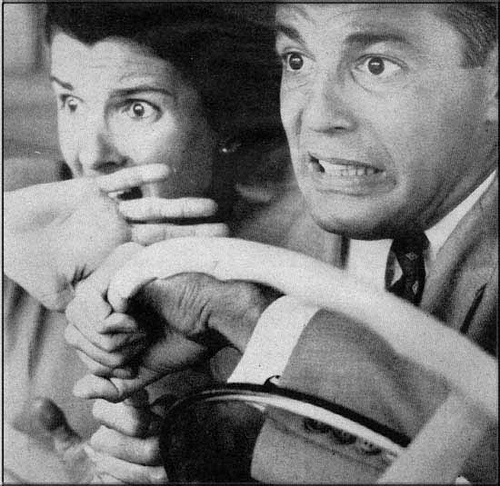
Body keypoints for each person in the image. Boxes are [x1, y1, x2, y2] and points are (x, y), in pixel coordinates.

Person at [65, 2, 497, 483]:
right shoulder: (269, 230)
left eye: (376, 65)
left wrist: (256, 318)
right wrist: (205, 447)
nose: (317, 116)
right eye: (297, 60)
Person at [3, 3, 283, 483]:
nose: (91, 155)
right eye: (71, 102)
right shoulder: (26, 204)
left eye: (137, 108)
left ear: (226, 123)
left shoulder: (294, 255)